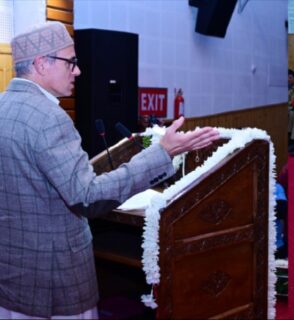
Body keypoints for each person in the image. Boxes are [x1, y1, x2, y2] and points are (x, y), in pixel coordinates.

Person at [0, 21, 219, 318]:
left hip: (13, 275)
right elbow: (87, 196)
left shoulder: (4, 107)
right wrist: (162, 153)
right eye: (71, 62)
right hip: (54, 279)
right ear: (41, 63)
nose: (78, 71)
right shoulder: (49, 116)